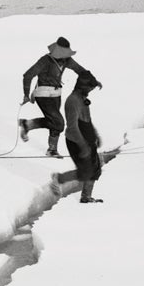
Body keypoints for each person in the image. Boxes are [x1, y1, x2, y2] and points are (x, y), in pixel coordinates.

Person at [19, 36, 91, 158]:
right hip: (43, 95)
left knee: (54, 122)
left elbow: (80, 70)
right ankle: (30, 127)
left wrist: (93, 81)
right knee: (59, 122)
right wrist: (26, 94)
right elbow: (28, 75)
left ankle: (50, 148)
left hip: (56, 95)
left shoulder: (67, 60)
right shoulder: (45, 60)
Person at [61, 71, 105, 203]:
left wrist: (95, 135)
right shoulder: (72, 101)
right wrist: (83, 145)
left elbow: (88, 120)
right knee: (85, 171)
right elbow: (72, 127)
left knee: (95, 170)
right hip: (76, 142)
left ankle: (86, 197)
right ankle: (58, 179)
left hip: (88, 140)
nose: (91, 91)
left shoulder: (82, 98)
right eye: (90, 88)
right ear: (83, 87)